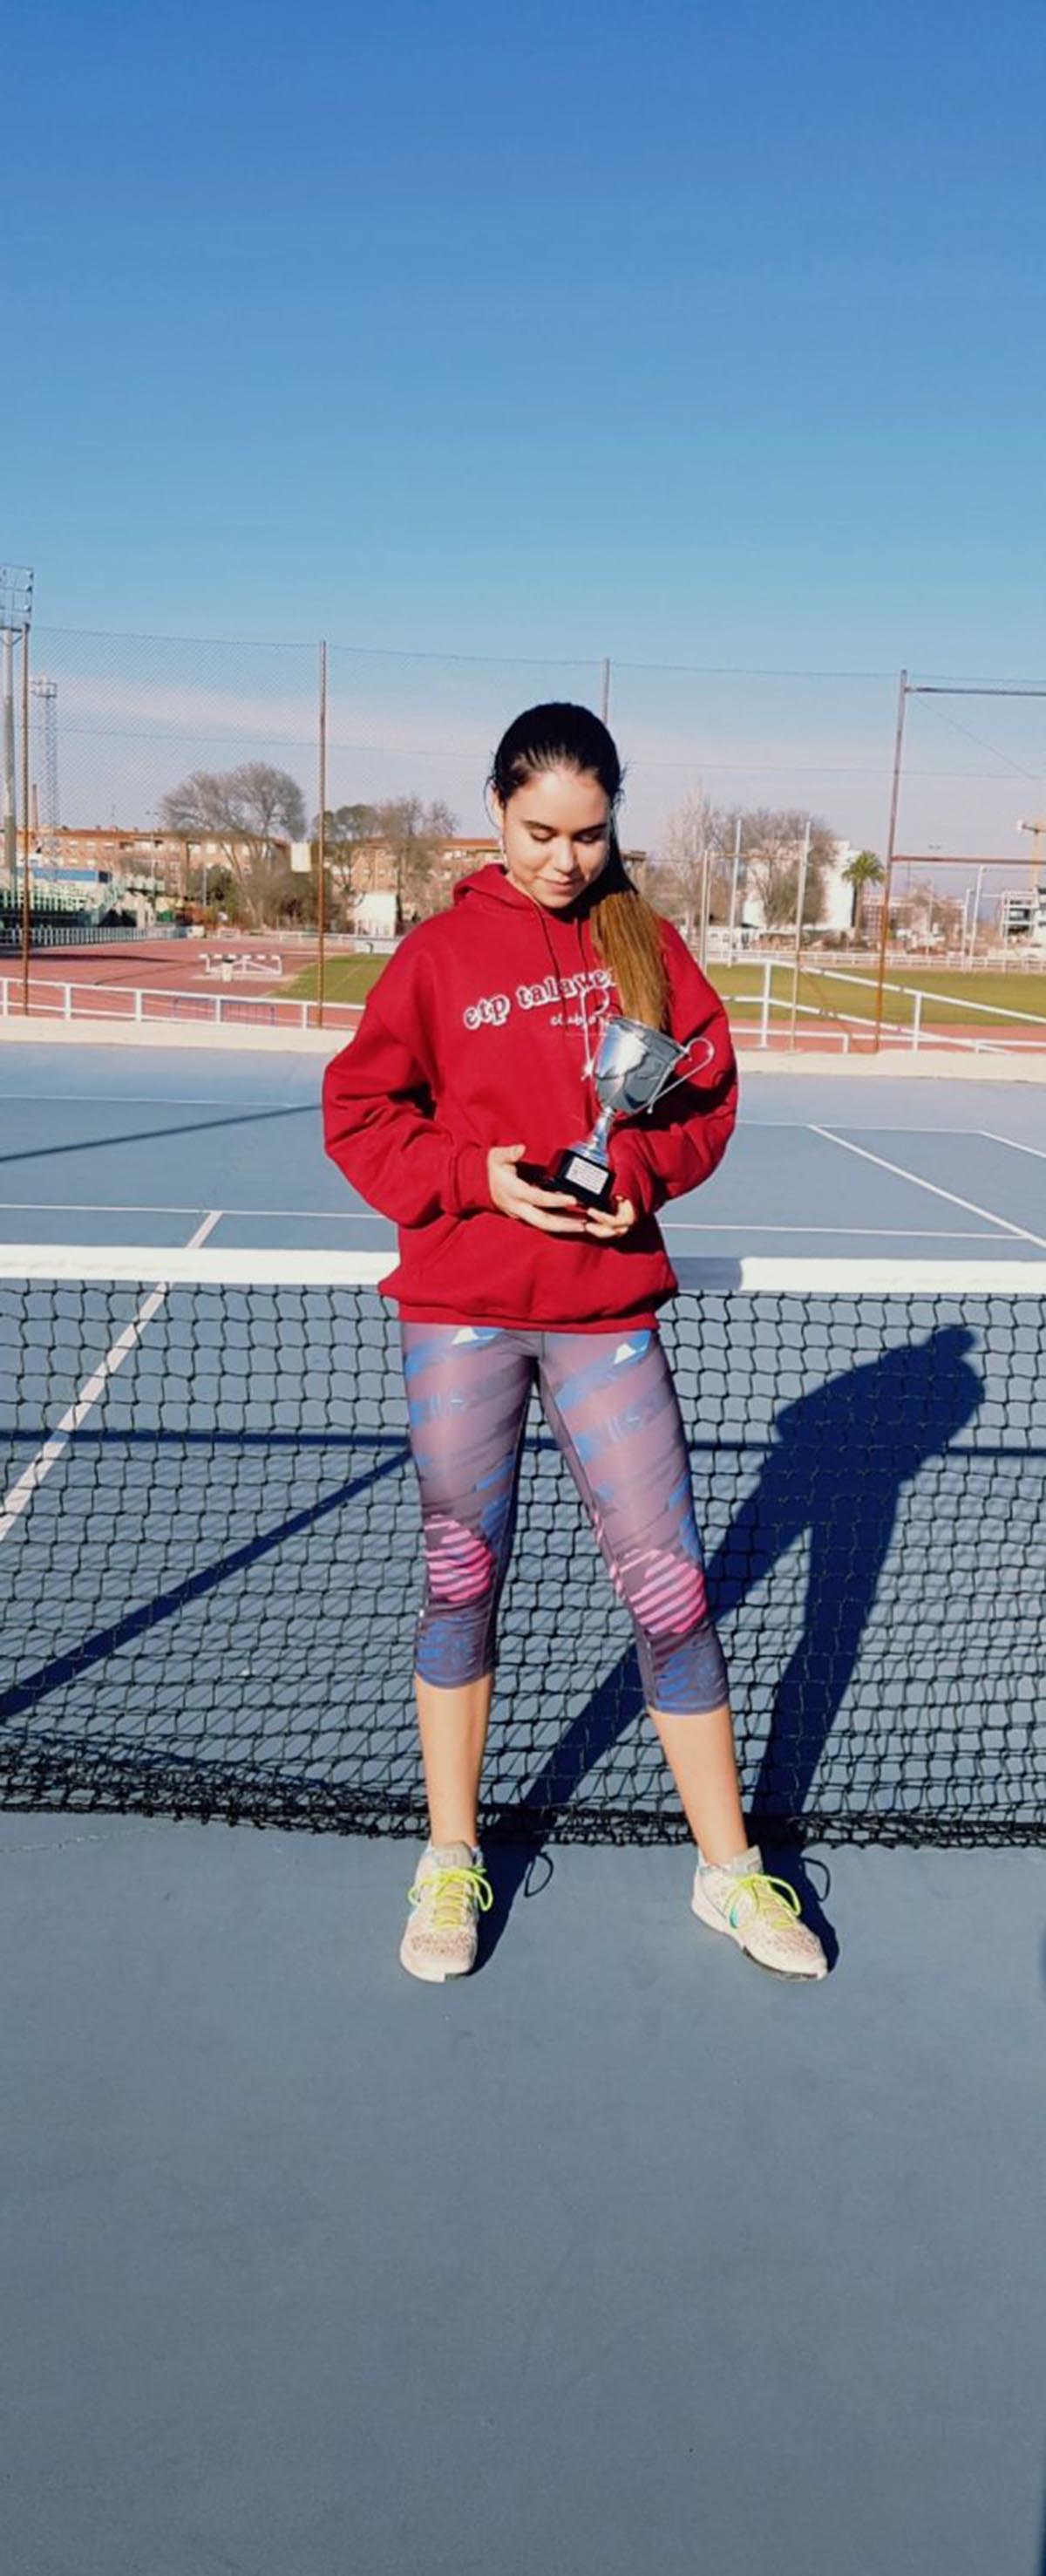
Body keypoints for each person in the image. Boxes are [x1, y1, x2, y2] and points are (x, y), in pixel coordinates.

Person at [323, 703, 826, 1985]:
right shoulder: (436, 957)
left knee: (670, 1588)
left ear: (614, 822)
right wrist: (474, 1174)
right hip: (461, 1311)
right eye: (540, 830)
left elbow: (705, 1101)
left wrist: (638, 1178)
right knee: (459, 1581)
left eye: (589, 833)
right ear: (496, 810)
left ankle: (728, 1870)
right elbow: (359, 1112)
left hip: (604, 1318)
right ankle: (450, 1852)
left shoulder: (643, 942)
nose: (563, 858)